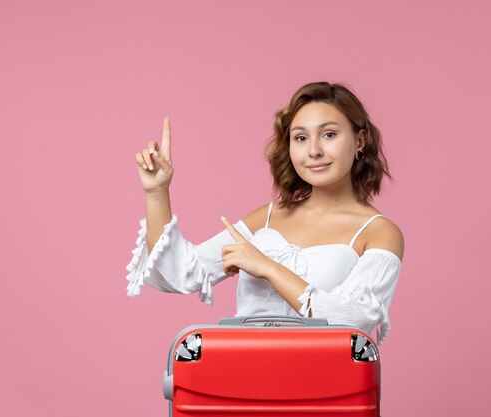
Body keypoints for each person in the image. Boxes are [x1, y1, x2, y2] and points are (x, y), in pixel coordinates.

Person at [126, 82, 404, 345]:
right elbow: (179, 275)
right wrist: (156, 193)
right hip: (244, 376)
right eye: (301, 138)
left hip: (323, 386)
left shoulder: (379, 232)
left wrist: (268, 267)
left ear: (359, 141)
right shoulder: (268, 217)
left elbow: (352, 321)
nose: (314, 151)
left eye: (329, 134)